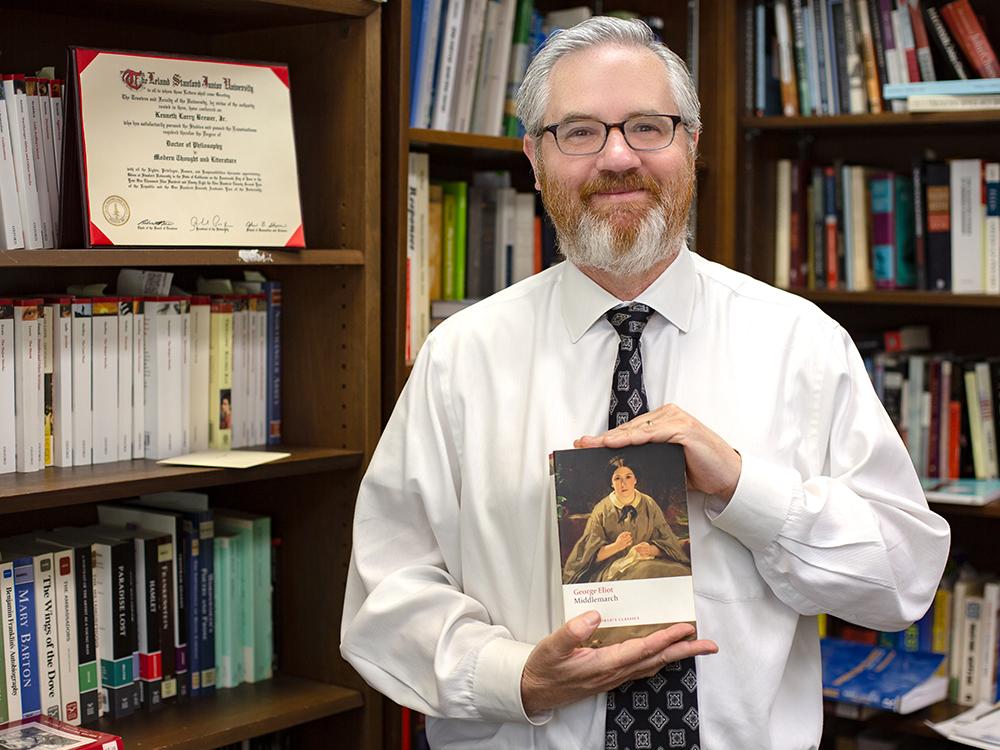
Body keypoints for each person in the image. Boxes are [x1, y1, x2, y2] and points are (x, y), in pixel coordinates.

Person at [341, 16, 950, 749]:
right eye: (579, 133)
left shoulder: (803, 346)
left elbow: (902, 582)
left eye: (647, 127)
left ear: (692, 144)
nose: (618, 157)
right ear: (535, 159)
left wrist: (743, 490)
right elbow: (385, 596)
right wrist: (518, 677)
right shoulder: (460, 358)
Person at [562, 455, 690, 585]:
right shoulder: (602, 510)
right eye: (617, 478)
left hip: (649, 561)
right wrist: (616, 546)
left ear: (635, 479)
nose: (623, 484)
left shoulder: (649, 504)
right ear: (611, 483)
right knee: (647, 572)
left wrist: (651, 550)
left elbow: (668, 542)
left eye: (628, 477)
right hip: (614, 569)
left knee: (678, 572)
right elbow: (587, 556)